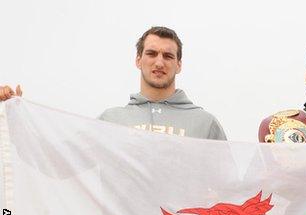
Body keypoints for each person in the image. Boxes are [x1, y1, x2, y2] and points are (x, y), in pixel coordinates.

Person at [1, 26, 226, 140]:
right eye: (151, 53)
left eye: (168, 56)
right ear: (138, 60)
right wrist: (17, 116)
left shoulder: (205, 124)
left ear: (179, 65)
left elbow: (233, 187)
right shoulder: (110, 121)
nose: (159, 62)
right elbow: (58, 163)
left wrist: (263, 150)